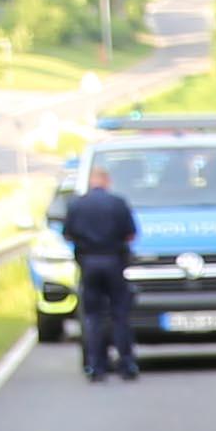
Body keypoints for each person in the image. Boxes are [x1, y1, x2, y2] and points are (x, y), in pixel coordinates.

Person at [58, 161, 143, 382]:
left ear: (90, 181)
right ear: (107, 181)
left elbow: (67, 234)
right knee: (120, 315)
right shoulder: (118, 203)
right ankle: (126, 364)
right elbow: (131, 234)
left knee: (92, 316)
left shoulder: (77, 205)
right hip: (114, 262)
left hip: (89, 263)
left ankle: (96, 366)